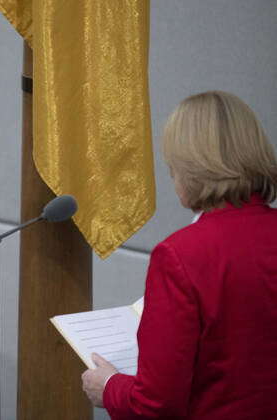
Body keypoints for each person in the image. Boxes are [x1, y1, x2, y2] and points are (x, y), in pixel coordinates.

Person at [81, 91, 277, 419]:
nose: (171, 174)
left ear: (191, 167)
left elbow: (156, 404)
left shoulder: (181, 255)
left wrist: (109, 386)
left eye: (172, 164)